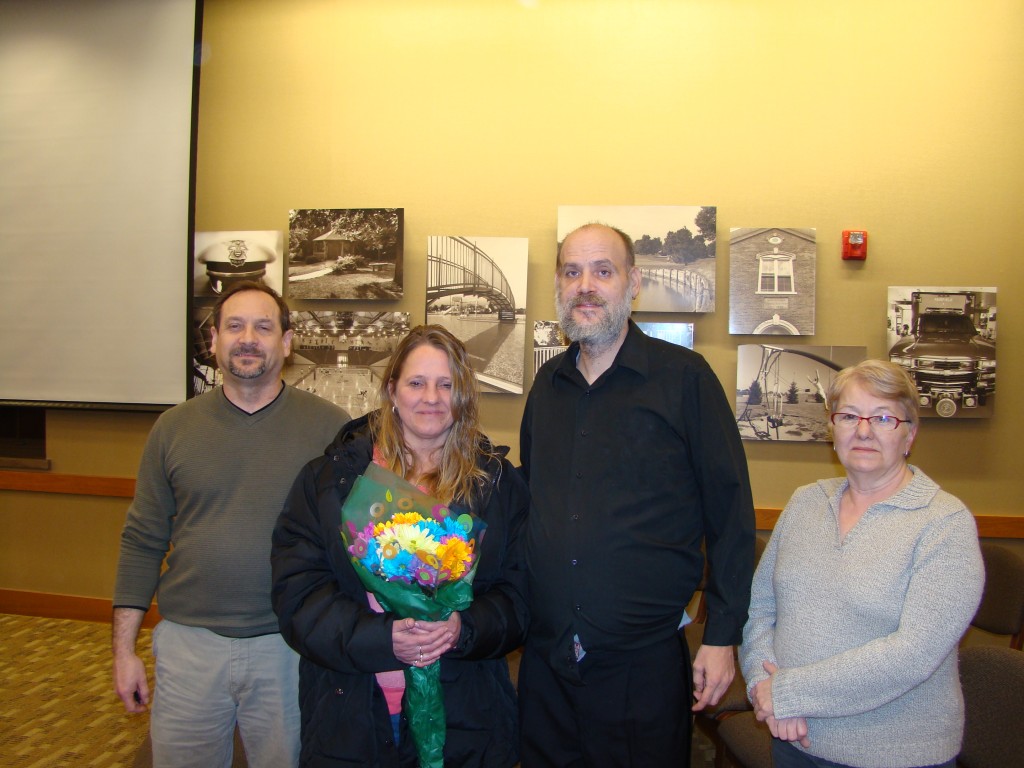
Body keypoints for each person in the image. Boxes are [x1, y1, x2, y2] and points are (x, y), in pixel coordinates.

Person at [518, 223, 756, 767]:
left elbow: (731, 515)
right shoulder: (547, 388)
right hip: (548, 661)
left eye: (603, 271)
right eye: (572, 271)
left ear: (633, 283)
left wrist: (722, 637)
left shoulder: (685, 379)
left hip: (640, 668)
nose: (586, 286)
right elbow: (534, 504)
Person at [112, 281, 350, 768]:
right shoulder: (172, 429)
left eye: (263, 327)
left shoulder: (331, 428)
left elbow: (354, 541)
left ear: (286, 343)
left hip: (289, 647)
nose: (247, 338)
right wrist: (124, 651)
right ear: (215, 341)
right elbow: (142, 539)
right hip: (188, 645)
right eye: (234, 326)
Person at [271, 325, 529, 767]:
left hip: (466, 717)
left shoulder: (497, 484)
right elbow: (298, 596)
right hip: (350, 715)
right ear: (392, 390)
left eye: (446, 384)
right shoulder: (330, 482)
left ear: (462, 394)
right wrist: (383, 638)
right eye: (416, 382)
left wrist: (461, 627)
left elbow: (521, 596)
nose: (431, 397)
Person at [740, 359, 984, 768]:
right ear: (832, 429)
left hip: (895, 754)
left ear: (910, 434)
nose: (864, 430)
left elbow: (914, 653)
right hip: (793, 739)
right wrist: (762, 685)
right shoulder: (805, 502)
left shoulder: (945, 522)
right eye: (850, 416)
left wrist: (789, 692)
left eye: (884, 417)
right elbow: (761, 608)